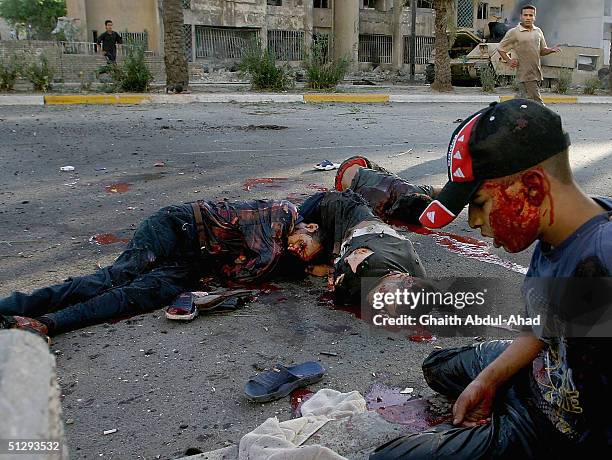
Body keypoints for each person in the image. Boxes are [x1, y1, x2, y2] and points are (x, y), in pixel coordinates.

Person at [371, 99, 612, 458]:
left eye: (480, 203)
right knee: (438, 368)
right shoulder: (558, 230)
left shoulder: (601, 259)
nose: (473, 222)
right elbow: (544, 325)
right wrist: (489, 380)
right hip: (542, 375)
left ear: (530, 187)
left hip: (555, 429)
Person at [0, 199, 325, 337]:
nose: (296, 252)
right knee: (116, 276)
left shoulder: (279, 244)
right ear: (308, 227)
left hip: (194, 260)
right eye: (303, 247)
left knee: (136, 295)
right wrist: (298, 267)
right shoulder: (284, 213)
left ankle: (46, 322)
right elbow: (256, 266)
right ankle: (14, 306)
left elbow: (243, 271)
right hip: (177, 227)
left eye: (302, 256)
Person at [299, 189, 429, 307]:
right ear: (403, 277)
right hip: (339, 208)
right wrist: (330, 272)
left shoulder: (356, 285)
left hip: (352, 227)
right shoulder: (361, 267)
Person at [334, 155, 441, 226]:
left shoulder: (407, 189)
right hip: (343, 184)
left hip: (353, 166)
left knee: (392, 181)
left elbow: (441, 190)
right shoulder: (376, 214)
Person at [497, 4, 561, 104]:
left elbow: (542, 51)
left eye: (530, 15)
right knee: (538, 103)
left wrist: (551, 50)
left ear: (534, 17)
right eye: (525, 15)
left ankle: (516, 116)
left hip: (536, 73)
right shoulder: (514, 32)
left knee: (524, 103)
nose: (528, 18)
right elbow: (501, 48)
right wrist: (509, 61)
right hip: (525, 74)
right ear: (521, 16)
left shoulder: (538, 31)